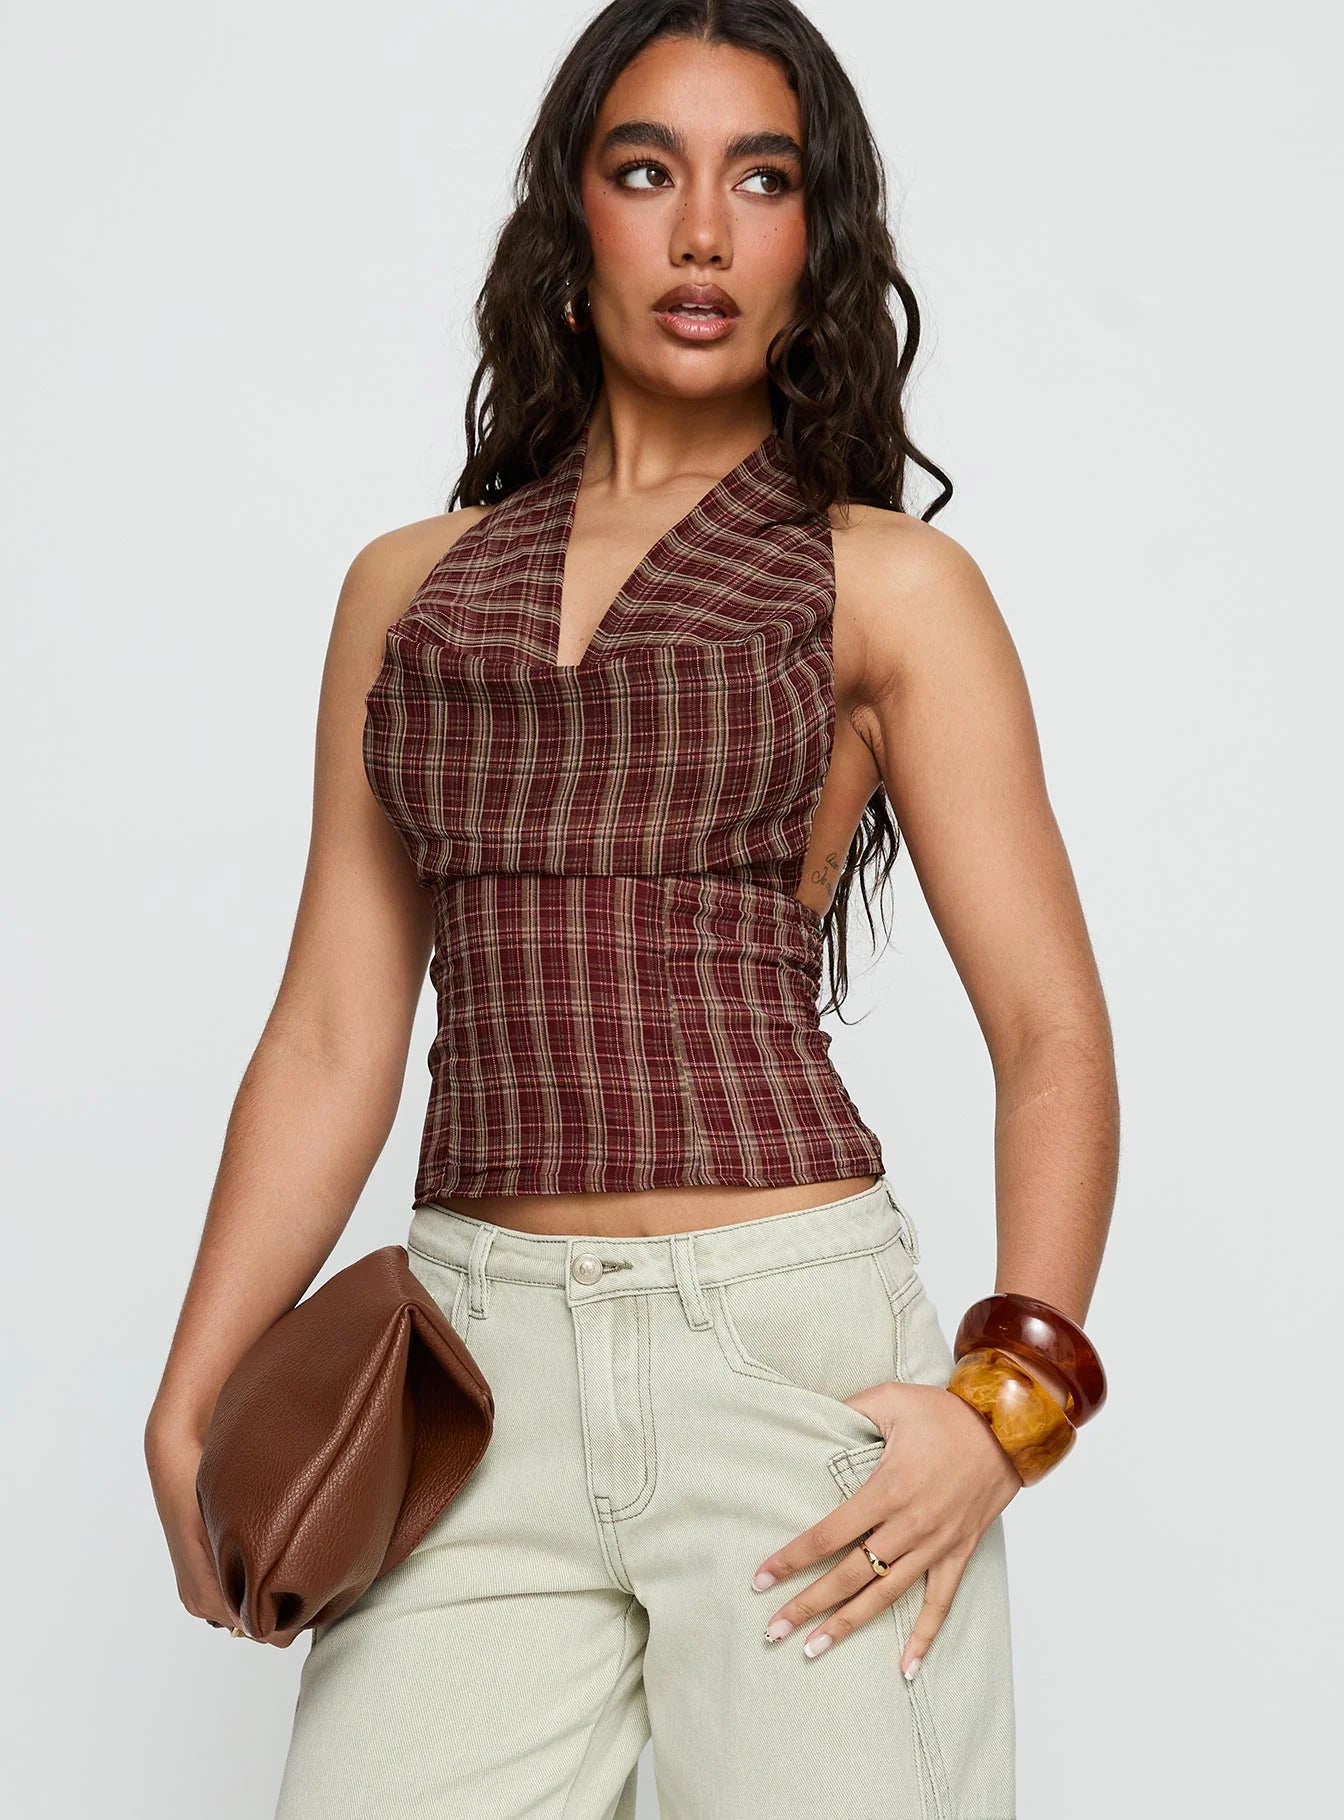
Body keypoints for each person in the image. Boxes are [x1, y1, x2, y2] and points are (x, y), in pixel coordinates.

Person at [145, 3, 1118, 1815]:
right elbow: (336, 1031)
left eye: (765, 180)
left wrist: (1014, 1407)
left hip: (789, 1363)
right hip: (468, 1378)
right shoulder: (406, 594)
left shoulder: (889, 586)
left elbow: (1050, 1031)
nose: (704, 234)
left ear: (818, 238)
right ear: (569, 214)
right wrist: (193, 1384)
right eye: (647, 170)